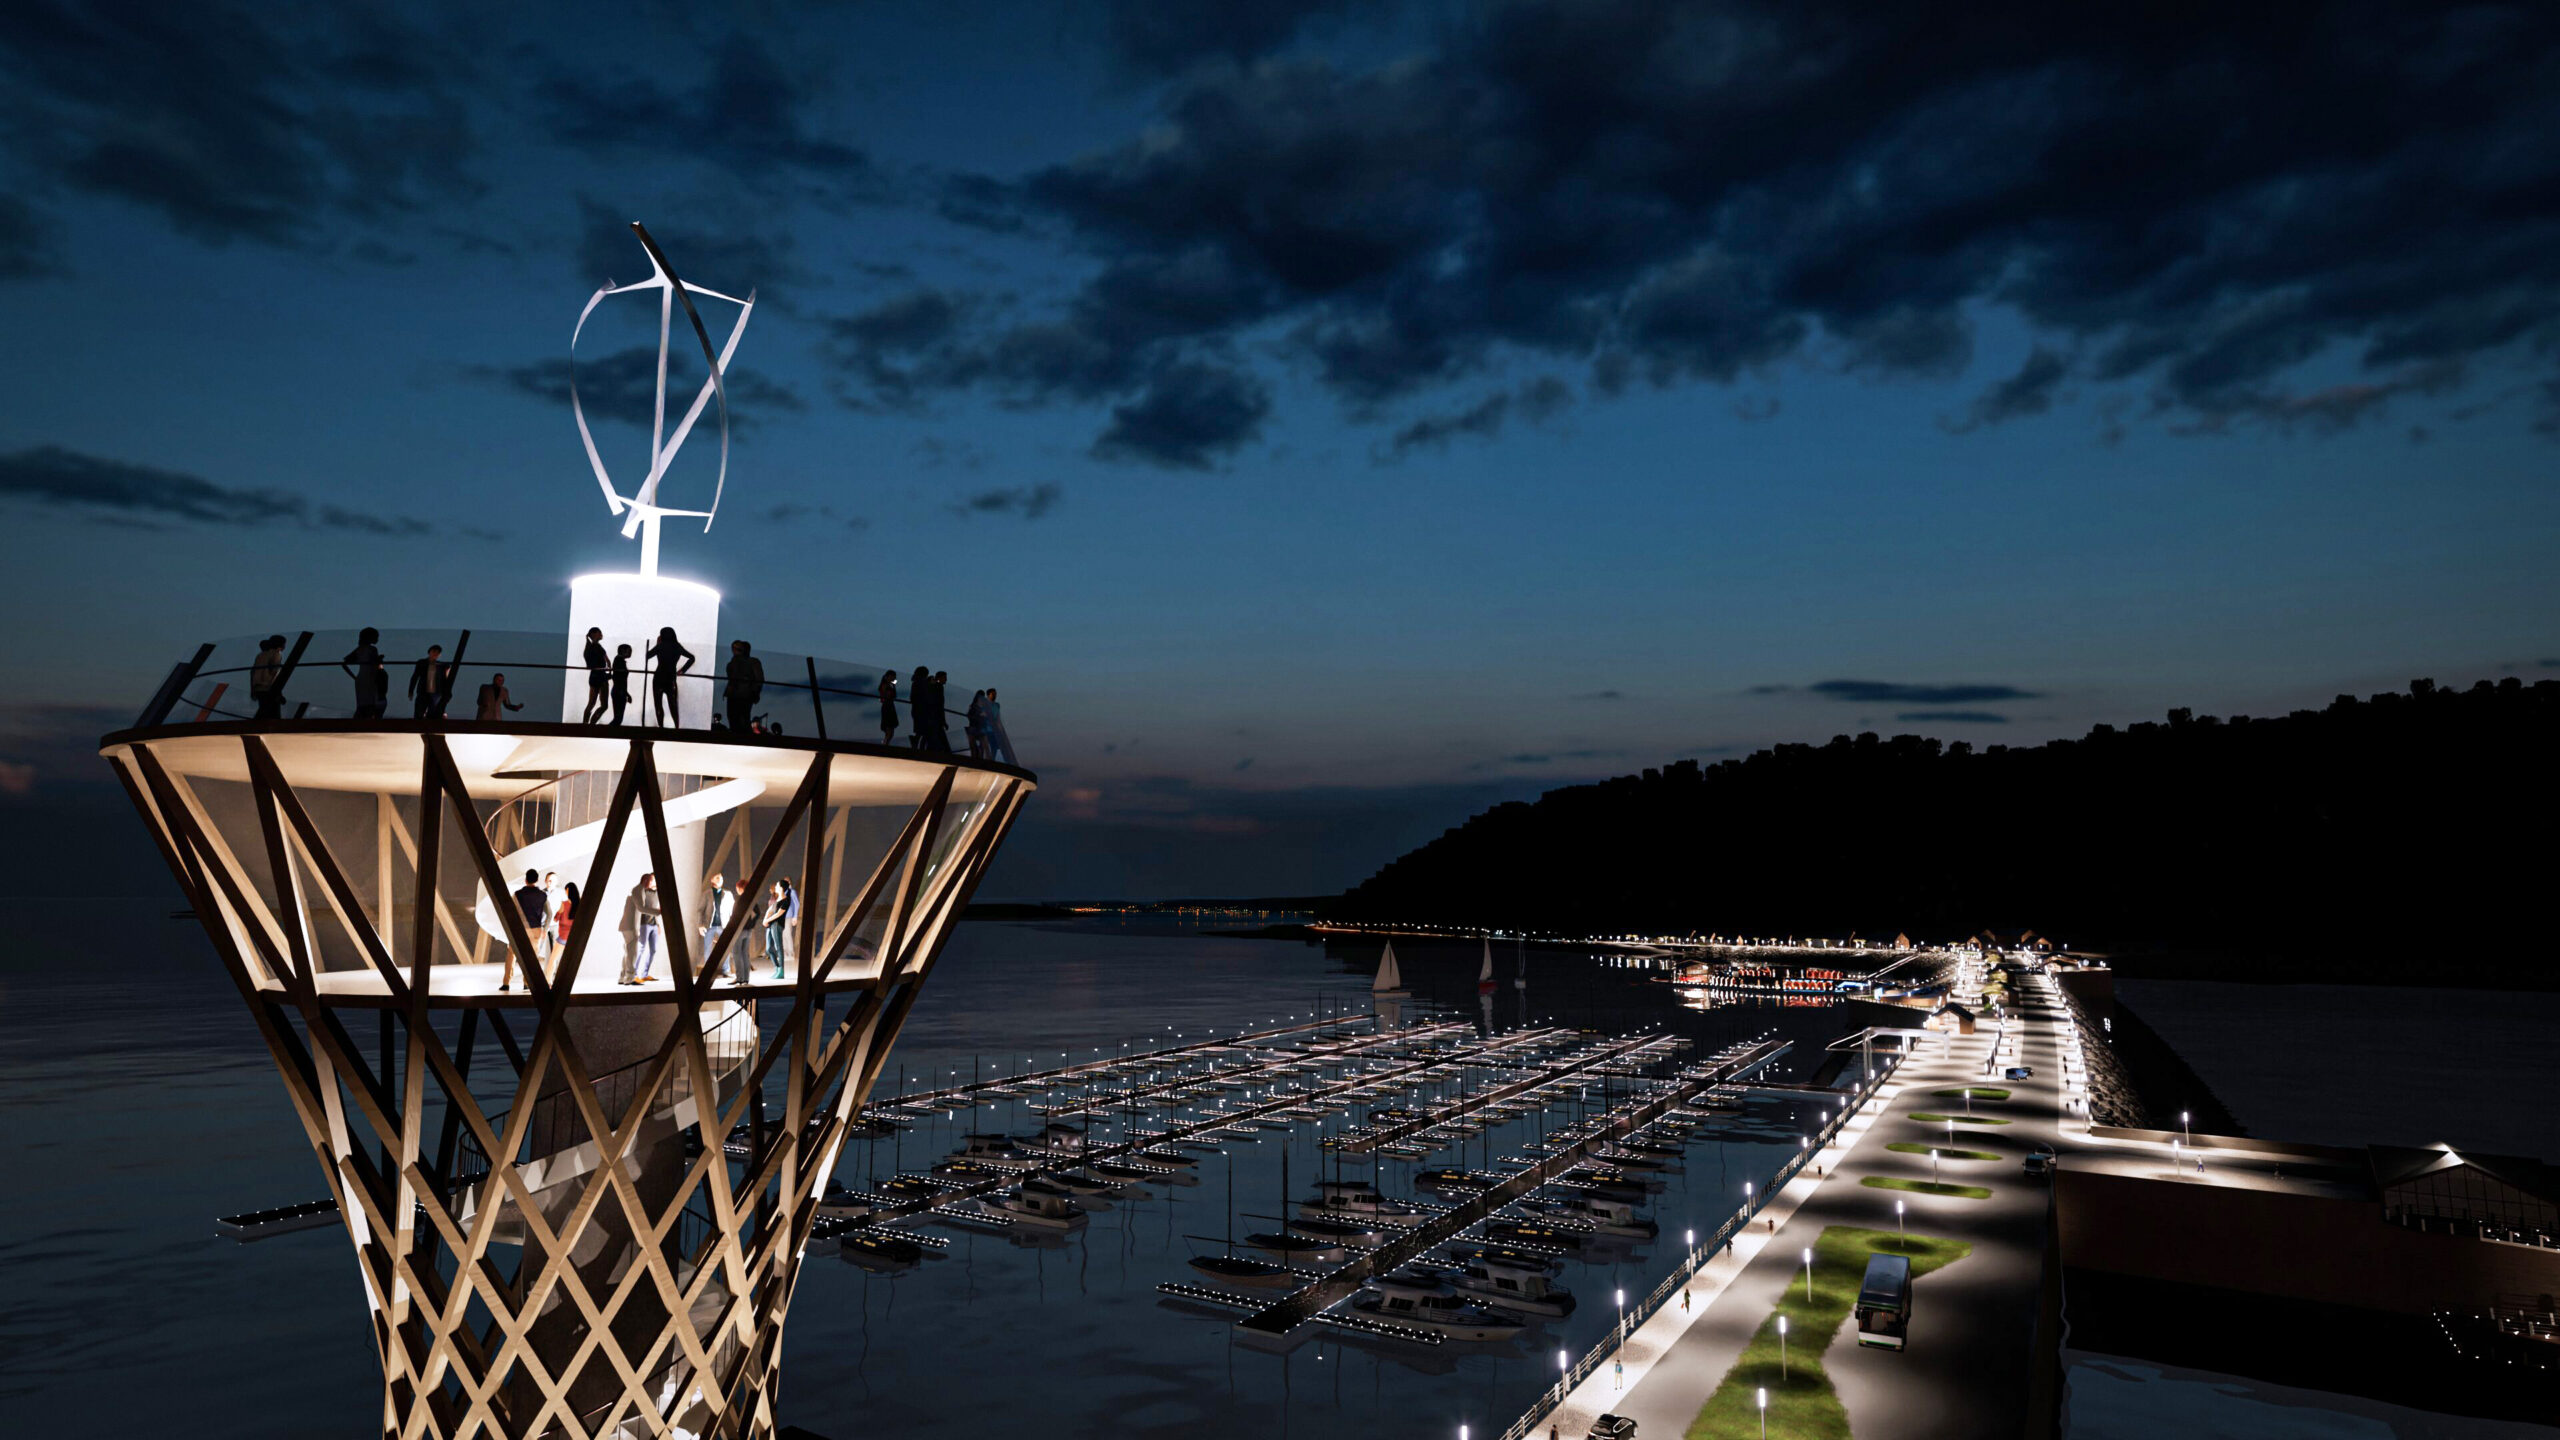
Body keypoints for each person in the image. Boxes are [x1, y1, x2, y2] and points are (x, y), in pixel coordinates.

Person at [505, 867, 547, 992]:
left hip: (520, 928)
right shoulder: (542, 895)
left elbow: (511, 911)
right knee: (532, 958)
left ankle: (506, 982)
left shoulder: (518, 894)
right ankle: (527, 983)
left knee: (511, 955)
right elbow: (547, 913)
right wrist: (544, 927)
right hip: (536, 929)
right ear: (537, 880)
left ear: (525, 880)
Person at [647, 627, 695, 727]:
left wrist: (657, 644)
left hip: (659, 677)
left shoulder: (660, 646)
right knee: (673, 704)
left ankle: (661, 727)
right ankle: (676, 726)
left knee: (658, 704)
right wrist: (683, 670)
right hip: (671, 678)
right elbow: (692, 658)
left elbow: (648, 656)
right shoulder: (677, 646)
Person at [623, 872, 663, 984]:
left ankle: (644, 974)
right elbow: (641, 908)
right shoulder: (641, 891)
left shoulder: (656, 893)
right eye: (653, 879)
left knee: (653, 950)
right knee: (640, 949)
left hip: (654, 924)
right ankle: (634, 975)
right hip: (643, 924)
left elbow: (654, 908)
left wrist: (658, 924)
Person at [342, 627, 387, 719]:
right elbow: (376, 664)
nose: (377, 639)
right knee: (373, 704)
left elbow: (344, 663)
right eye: (376, 636)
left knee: (362, 705)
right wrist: (379, 660)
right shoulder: (372, 649)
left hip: (361, 679)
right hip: (371, 679)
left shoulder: (359, 649)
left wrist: (355, 677)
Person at [723, 640, 764, 734]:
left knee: (743, 718)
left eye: (738, 649)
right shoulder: (732, 663)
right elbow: (731, 675)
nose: (735, 651)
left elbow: (759, 679)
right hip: (734, 694)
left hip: (744, 694)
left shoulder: (753, 662)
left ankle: (743, 737)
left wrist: (755, 692)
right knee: (733, 717)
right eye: (734, 648)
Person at [702, 871, 735, 978]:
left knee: (725, 948)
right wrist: (700, 925)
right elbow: (700, 910)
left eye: (721, 877)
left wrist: (732, 924)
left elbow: (732, 911)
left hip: (724, 924)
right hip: (709, 925)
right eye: (717, 878)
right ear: (712, 880)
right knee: (708, 948)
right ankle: (709, 971)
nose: (720, 879)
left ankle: (726, 970)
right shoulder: (706, 893)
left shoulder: (728, 894)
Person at [251, 635, 288, 719]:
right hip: (268, 688)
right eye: (284, 644)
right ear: (281, 644)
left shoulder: (261, 655)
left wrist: (253, 689)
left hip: (259, 688)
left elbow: (254, 673)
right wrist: (278, 693)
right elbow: (274, 675)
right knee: (274, 715)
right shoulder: (276, 654)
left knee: (264, 711)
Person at [580, 627, 612, 724]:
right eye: (599, 632)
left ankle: (586, 723)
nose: (601, 634)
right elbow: (608, 661)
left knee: (592, 703)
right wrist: (609, 672)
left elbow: (606, 661)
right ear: (593, 634)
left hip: (596, 676)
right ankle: (591, 723)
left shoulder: (592, 647)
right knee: (602, 705)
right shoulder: (595, 647)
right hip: (600, 676)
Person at [408, 645, 448, 719]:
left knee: (434, 714)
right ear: (429, 652)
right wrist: (411, 690)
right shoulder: (421, 663)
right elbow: (415, 677)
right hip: (423, 692)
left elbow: (445, 680)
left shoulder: (442, 665)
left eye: (438, 652)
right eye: (434, 651)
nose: (435, 654)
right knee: (419, 713)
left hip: (436, 693)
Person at [760, 880, 790, 981]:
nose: (775, 887)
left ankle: (781, 971)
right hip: (770, 925)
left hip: (777, 925)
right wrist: (765, 919)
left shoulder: (786, 900)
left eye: (777, 885)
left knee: (778, 947)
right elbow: (770, 910)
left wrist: (768, 920)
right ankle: (777, 968)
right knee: (769, 949)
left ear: (781, 888)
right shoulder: (777, 899)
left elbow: (779, 914)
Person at [985, 687, 1017, 765]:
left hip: (993, 729)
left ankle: (991, 760)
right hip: (986, 728)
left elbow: (998, 719)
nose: (995, 695)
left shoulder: (997, 705)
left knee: (994, 746)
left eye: (995, 694)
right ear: (988, 695)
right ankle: (986, 760)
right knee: (985, 745)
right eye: (993, 694)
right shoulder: (985, 704)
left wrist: (1000, 730)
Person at [926, 672, 956, 752]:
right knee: (937, 738)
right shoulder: (938, 687)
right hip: (935, 717)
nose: (946, 680)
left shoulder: (935, 686)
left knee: (934, 738)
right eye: (944, 677)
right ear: (940, 678)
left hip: (934, 717)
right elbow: (939, 705)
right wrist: (943, 720)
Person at [906, 666, 933, 747]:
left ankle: (916, 743)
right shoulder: (924, 684)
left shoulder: (915, 683)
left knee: (920, 730)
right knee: (925, 730)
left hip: (917, 709)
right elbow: (927, 697)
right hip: (923, 710)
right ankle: (918, 745)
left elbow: (912, 698)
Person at [610, 644, 634, 726]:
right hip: (619, 691)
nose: (631, 652)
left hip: (619, 690)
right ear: (623, 651)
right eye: (629, 650)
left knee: (618, 718)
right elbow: (619, 679)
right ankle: (606, 731)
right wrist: (625, 693)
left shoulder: (619, 660)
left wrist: (626, 693)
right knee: (618, 719)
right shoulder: (619, 660)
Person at [876, 670, 899, 746]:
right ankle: (885, 744)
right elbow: (887, 696)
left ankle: (886, 743)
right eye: (893, 676)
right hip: (888, 706)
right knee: (889, 728)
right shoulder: (885, 685)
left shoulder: (889, 685)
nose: (895, 678)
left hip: (889, 706)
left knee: (890, 728)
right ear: (889, 676)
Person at [965, 690, 990, 759]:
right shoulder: (975, 706)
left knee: (980, 747)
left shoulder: (978, 706)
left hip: (978, 727)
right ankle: (976, 760)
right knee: (976, 747)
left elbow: (969, 715)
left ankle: (977, 760)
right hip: (975, 727)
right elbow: (970, 716)